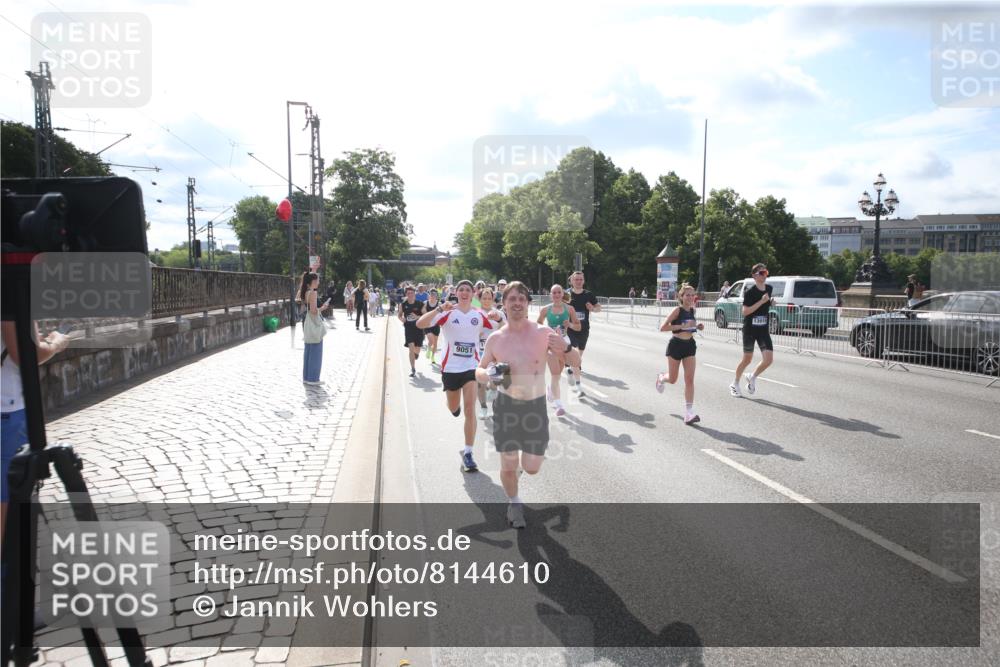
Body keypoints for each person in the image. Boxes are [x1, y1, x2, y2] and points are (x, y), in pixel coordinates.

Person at [476, 281, 565, 528]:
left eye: (521, 299)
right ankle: (514, 504)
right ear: (503, 303)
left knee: (532, 467)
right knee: (508, 462)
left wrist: (566, 350)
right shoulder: (495, 339)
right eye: (512, 299)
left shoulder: (543, 333)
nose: (517, 303)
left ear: (528, 304)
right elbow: (479, 370)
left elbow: (572, 358)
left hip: (535, 408)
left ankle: (517, 476)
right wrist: (488, 373)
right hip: (506, 407)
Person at [415, 280, 497, 472]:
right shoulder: (448, 312)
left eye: (468, 290)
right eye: (461, 290)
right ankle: (453, 406)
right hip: (450, 369)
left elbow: (501, 332)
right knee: (454, 407)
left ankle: (468, 453)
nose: (465, 293)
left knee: (470, 409)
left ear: (473, 294)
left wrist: (499, 319)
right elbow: (420, 323)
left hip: (471, 367)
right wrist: (438, 310)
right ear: (456, 293)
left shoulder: (479, 315)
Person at [2, 320, 70, 536]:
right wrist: (55, 343)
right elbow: (25, 354)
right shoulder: (10, 289)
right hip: (7, 408)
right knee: (8, 496)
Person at [656, 283, 703, 424]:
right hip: (676, 346)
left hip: (689, 346)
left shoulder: (692, 311)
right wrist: (681, 326)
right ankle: (662, 378)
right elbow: (663, 327)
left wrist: (697, 326)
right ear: (681, 297)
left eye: (692, 295)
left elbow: (690, 327)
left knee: (689, 380)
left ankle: (689, 413)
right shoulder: (677, 310)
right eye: (687, 295)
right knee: (673, 379)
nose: (690, 297)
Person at [536, 284, 583, 416]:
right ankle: (559, 405)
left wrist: (570, 325)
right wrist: (547, 331)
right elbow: (538, 325)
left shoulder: (570, 309)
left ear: (563, 294)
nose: (556, 295)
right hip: (550, 343)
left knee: (560, 370)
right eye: (554, 293)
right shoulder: (545, 310)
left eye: (558, 292)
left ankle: (550, 389)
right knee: (555, 375)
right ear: (550, 295)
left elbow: (579, 327)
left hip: (564, 341)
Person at [731, 263, 773, 397]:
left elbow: (765, 304)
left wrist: (770, 302)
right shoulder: (750, 292)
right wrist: (761, 301)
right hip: (750, 329)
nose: (764, 275)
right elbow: (745, 311)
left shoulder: (769, 288)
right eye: (761, 273)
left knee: (768, 359)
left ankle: (752, 377)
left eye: (765, 272)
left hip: (763, 329)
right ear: (754, 275)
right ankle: (735, 383)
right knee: (747, 360)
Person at [475, 288, 506, 419]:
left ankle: (492, 389)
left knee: (496, 378)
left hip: (495, 350)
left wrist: (499, 322)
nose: (487, 301)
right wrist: (476, 333)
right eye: (484, 298)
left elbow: (505, 328)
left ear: (493, 299)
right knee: (479, 381)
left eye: (489, 298)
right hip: (479, 350)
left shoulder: (498, 313)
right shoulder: (475, 313)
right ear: (480, 299)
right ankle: (483, 407)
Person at [566, 270, 600, 381]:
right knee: (574, 350)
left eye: (581, 279)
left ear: (583, 281)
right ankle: (574, 370)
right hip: (570, 328)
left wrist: (593, 308)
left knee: (580, 351)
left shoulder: (588, 294)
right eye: (576, 279)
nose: (579, 281)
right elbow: (558, 307)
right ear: (572, 281)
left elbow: (599, 308)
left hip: (584, 328)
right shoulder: (566, 294)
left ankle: (573, 364)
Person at [300, 271, 330, 385]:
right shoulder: (313, 293)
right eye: (316, 280)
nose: (318, 282)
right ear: (311, 282)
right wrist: (323, 307)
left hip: (307, 323)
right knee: (316, 350)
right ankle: (313, 378)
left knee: (308, 349)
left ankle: (307, 377)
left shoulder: (306, 292)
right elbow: (313, 311)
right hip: (313, 322)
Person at [399, 286, 426, 377]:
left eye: (411, 293)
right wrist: (402, 319)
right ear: (406, 294)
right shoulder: (403, 304)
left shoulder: (420, 304)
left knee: (417, 349)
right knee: (411, 348)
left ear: (415, 294)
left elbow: (425, 315)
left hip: (419, 328)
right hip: (409, 329)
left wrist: (417, 317)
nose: (410, 295)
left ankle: (416, 354)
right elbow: (399, 315)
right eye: (408, 293)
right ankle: (413, 368)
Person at [424, 289, 442, 366]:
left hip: (436, 325)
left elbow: (442, 314)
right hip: (428, 324)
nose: (432, 297)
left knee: (435, 343)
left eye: (434, 295)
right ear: (429, 296)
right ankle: (428, 348)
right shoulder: (425, 303)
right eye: (431, 295)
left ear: (436, 297)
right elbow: (423, 314)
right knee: (430, 340)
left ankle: (433, 357)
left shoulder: (439, 304)